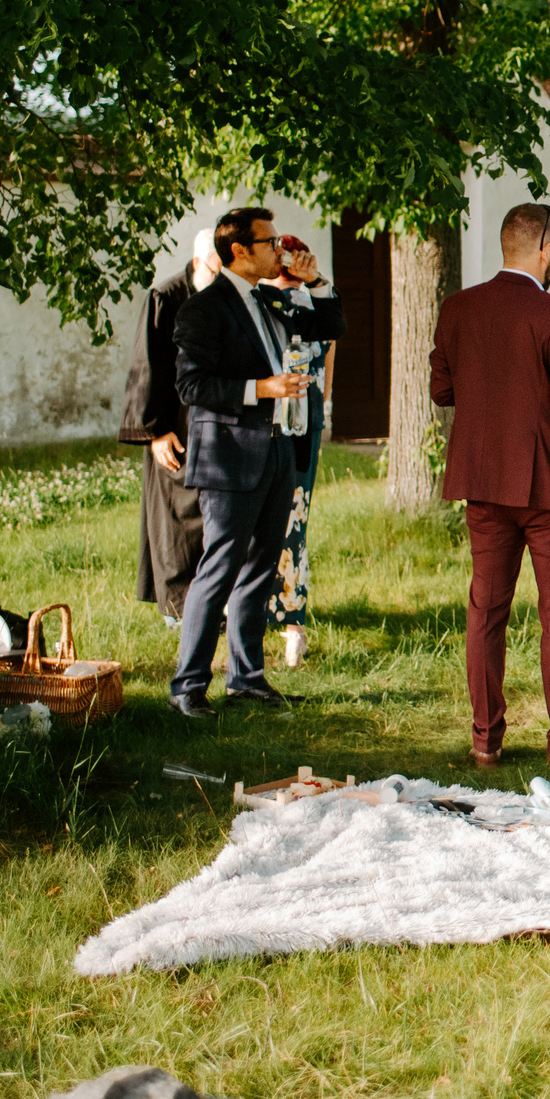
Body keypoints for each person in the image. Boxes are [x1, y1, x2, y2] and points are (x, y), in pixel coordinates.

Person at [430, 203, 550, 767]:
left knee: (485, 610)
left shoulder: (458, 308)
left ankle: (485, 742)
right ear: (545, 248)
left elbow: (443, 391)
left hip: (483, 482)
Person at [169, 206, 346, 718]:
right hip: (229, 457)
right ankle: (187, 687)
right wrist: (260, 388)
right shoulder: (203, 309)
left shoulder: (273, 298)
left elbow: (330, 324)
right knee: (218, 568)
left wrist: (316, 281)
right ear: (239, 250)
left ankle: (245, 677)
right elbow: (192, 385)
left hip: (278, 450)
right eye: (269, 242)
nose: (280, 250)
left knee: (261, 568)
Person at [119, 229, 220, 627]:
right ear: (198, 263)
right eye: (216, 268)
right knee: (173, 520)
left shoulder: (224, 297)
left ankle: (213, 604)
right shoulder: (166, 297)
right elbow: (146, 366)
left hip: (213, 424)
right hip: (172, 426)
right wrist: (155, 431)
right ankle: (179, 610)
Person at [263, 233, 337, 639]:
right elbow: (329, 367)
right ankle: (287, 621)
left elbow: (329, 357)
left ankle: (284, 619)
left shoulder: (289, 300)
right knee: (292, 520)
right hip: (294, 419)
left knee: (285, 521)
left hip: (291, 420)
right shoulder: (311, 299)